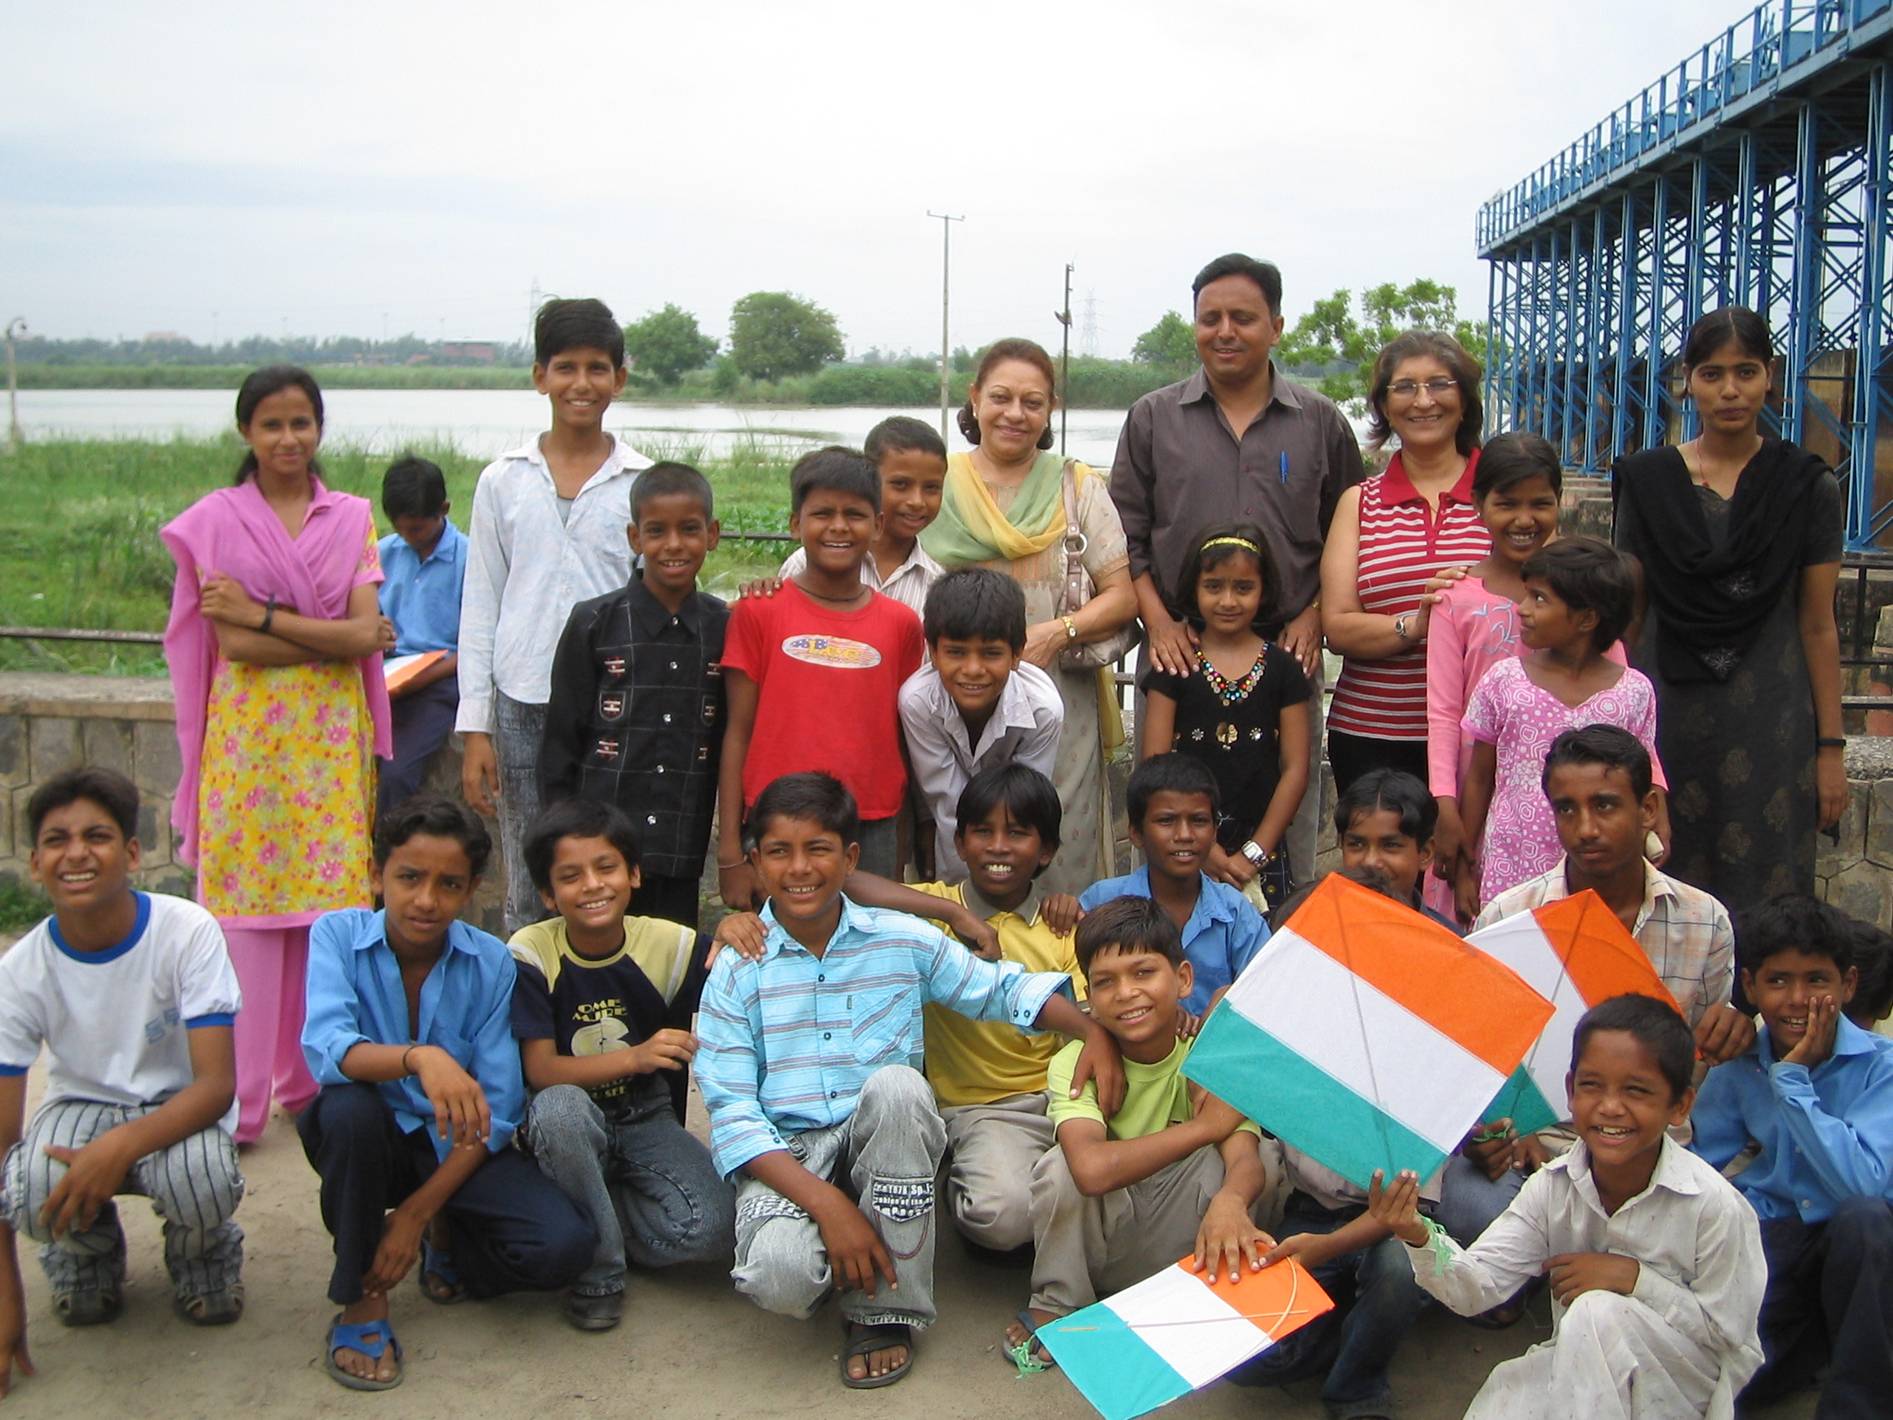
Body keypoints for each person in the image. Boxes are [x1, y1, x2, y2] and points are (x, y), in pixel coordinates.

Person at [693, 772, 1124, 1389]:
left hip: (883, 1141)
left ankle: (883, 1313)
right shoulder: (737, 968)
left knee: (898, 1087)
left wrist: (1090, 1030)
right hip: (792, 1154)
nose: (799, 869)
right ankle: (847, 1249)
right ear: (756, 862)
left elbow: (997, 989)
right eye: (779, 852)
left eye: (817, 849)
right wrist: (830, 1209)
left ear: (849, 859)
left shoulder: (899, 938)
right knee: (778, 1279)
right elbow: (732, 1113)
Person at [160, 365, 394, 1145]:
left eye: (302, 423)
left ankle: (312, 1084)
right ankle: (237, 1101)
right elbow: (232, 646)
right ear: (246, 433)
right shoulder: (218, 520)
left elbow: (365, 635)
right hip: (250, 744)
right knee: (247, 917)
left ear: (318, 429)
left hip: (330, 742)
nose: (289, 438)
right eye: (272, 425)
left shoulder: (352, 515)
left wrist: (268, 614)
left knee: (327, 916)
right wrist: (320, 633)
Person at [298, 796, 594, 1391]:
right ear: (376, 874)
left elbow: (500, 1110)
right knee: (349, 1109)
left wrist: (415, 1214)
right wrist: (419, 1057)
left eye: (448, 884)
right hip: (368, 1145)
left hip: (454, 1147)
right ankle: (362, 1297)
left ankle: (443, 1238)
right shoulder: (336, 934)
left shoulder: (489, 962)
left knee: (564, 1246)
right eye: (409, 877)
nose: (427, 899)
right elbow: (327, 1047)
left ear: (471, 890)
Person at [1376, 994, 1765, 1419]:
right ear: (1570, 1090)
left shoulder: (1714, 1206)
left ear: (1680, 1106)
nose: (1610, 1106)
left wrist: (1633, 1279)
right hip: (1583, 1374)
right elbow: (1477, 1287)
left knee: (1596, 1312)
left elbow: (1731, 1339)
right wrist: (1416, 1233)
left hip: (1681, 1388)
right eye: (1592, 1085)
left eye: (1636, 1090)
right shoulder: (1552, 1187)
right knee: (1505, 1402)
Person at [1111, 253, 1366, 882]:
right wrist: (1159, 624)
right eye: (1210, 318)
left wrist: (1314, 613)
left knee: (1287, 834)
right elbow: (1126, 538)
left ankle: (1279, 956)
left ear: (1276, 325)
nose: (1224, 331)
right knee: (1170, 821)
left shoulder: (1320, 423)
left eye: (1243, 318)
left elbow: (1352, 528)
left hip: (1284, 653)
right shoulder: (1152, 418)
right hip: (1179, 653)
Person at [1455, 728, 1752, 1252]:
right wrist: (1502, 1130)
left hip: (1651, 1151)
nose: (1585, 828)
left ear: (1648, 807)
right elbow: (1475, 1060)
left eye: (1605, 805)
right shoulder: (1510, 918)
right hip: (1537, 1151)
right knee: (1475, 1211)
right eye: (1566, 809)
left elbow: (1699, 1068)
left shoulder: (1705, 923)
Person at [0, 769, 245, 1395]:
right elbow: (1, 1138)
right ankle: (84, 1256)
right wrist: (5, 1292)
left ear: (132, 853)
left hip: (179, 1103)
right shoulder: (21, 970)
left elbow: (215, 1086)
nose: (76, 853)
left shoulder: (186, 930)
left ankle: (202, 1255)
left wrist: (119, 1146)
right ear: (34, 863)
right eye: (56, 840)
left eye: (97, 836)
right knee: (28, 1182)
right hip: (81, 1104)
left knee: (204, 1179)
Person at [1613, 306, 1846, 908]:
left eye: (1746, 372)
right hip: (1668, 712)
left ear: (1771, 375)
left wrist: (1830, 750)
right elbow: (1630, 617)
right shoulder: (1648, 481)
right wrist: (1618, 730)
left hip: (1774, 720)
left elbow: (1819, 625)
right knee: (1664, 884)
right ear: (1687, 380)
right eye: (1713, 374)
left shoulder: (1805, 484)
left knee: (1769, 891)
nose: (1730, 391)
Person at [1005, 897, 1271, 1367]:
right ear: (1089, 994)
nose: (1126, 993)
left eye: (1144, 973)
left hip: (1190, 1238)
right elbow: (1088, 1171)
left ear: (1183, 979)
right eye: (1105, 983)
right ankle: (1059, 1301)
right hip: (1110, 1247)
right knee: (1059, 1168)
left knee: (1262, 1162)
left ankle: (1210, 1290)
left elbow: (1245, 1158)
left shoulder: (1206, 1056)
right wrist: (1203, 1127)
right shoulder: (1074, 1062)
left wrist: (1231, 1199)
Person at [457, 297, 652, 933]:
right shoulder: (504, 480)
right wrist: (476, 729)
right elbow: (482, 604)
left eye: (598, 368)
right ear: (539, 375)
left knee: (610, 864)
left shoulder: (642, 482)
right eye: (565, 368)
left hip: (615, 702)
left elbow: (657, 598)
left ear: (619, 379)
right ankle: (531, 1014)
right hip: (521, 700)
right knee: (529, 865)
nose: (581, 384)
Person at [508, 798, 733, 1333]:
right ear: (547, 894)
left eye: (606, 867)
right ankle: (600, 1270)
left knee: (716, 1228)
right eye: (570, 876)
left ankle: (596, 1212)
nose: (592, 885)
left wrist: (739, 928)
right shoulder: (532, 950)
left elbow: (735, 970)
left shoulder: (667, 942)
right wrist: (634, 1056)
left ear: (633, 874)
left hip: (643, 1114)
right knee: (561, 1110)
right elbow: (540, 1071)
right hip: (565, 1118)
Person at [923, 338, 1137, 895]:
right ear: (973, 399)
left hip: (1058, 700)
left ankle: (1061, 972)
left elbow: (1122, 595)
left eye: (1032, 402)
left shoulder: (1077, 486)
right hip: (951, 704)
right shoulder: (937, 483)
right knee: (956, 836)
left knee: (1057, 842)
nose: (1015, 413)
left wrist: (1053, 633)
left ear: (1051, 410)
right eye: (1000, 397)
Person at [1692, 894, 1893, 1419]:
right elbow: (1698, 1166)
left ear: (1847, 985)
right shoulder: (1742, 1066)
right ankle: (1816, 1349)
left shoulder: (1881, 1066)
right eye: (1778, 981)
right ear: (1752, 988)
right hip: (1776, 1245)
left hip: (1860, 1250)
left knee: (1864, 1220)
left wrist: (1793, 1081)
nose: (1798, 999)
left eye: (1817, 981)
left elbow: (1865, 1185)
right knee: (1730, 1385)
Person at [715, 448, 925, 904]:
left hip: (872, 822)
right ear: (795, 524)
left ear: (878, 525)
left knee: (868, 954)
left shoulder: (902, 623)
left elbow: (904, 738)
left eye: (854, 514)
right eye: (822, 513)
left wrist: (904, 842)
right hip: (774, 821)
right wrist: (730, 851)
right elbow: (737, 733)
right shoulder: (758, 613)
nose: (838, 526)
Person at [539, 460, 727, 929]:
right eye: (657, 531)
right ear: (635, 538)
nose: (674, 545)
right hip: (599, 848)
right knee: (596, 957)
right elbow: (561, 743)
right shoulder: (594, 624)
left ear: (713, 534)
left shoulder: (727, 626)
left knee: (672, 962)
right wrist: (561, 838)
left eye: (689, 530)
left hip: (680, 840)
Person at [1321, 330, 1491, 792]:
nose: (1423, 401)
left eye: (1439, 384)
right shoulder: (1359, 502)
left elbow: (1551, 597)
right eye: (1404, 387)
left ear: (1465, 398)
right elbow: (1337, 627)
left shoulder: (1505, 496)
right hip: (1375, 736)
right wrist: (1412, 627)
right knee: (1379, 866)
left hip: (1486, 740)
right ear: (1383, 404)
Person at [1458, 537, 1664, 915]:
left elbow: (1644, 773)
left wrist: (1657, 826)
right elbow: (1479, 777)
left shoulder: (1633, 691)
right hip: (1514, 864)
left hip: (1600, 869)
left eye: (1539, 599)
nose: (1522, 610)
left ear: (1586, 618)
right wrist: (1464, 864)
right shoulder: (1503, 681)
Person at [1424, 431, 1563, 918]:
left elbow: (1622, 691)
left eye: (1540, 504)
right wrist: (1445, 805)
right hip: (1474, 795)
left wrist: (1653, 784)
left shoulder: (1582, 594)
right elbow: (1442, 713)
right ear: (1480, 505)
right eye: (1507, 504)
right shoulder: (1456, 599)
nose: (1525, 520)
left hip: (1561, 795)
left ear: (1559, 505)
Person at [1140, 522, 1311, 910]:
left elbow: (1296, 768)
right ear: (1193, 588)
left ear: (1263, 589)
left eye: (1243, 587)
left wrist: (1254, 853)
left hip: (1262, 845)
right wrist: (1208, 852)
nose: (1228, 600)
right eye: (1214, 586)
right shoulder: (1175, 664)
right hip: (1183, 840)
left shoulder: (1284, 669)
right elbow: (1154, 763)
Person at [899, 569, 1062, 885]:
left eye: (991, 654)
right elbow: (946, 803)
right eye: (956, 652)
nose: (973, 670)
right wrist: (962, 898)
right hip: (950, 841)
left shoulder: (1042, 709)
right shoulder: (917, 702)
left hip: (1011, 853)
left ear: (1017, 654)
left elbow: (1027, 802)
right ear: (932, 652)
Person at [1076, 754, 1270, 1019]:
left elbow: (1264, 997)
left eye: (1199, 821)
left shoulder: (1235, 914)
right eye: (1166, 821)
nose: (1184, 835)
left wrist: (1212, 1019)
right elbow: (1082, 998)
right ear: (1136, 833)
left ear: (1215, 832)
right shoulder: (1102, 901)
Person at [778, 416, 948, 617]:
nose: (917, 501)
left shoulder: (936, 583)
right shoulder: (804, 564)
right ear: (869, 482)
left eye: (931, 488)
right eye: (900, 484)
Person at [376, 454, 466, 818]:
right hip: (386, 675)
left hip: (440, 681)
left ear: (442, 509)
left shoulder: (469, 560)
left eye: (417, 529)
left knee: (397, 774)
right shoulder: (383, 554)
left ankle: (387, 857)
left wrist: (418, 680)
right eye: (401, 529)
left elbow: (474, 648)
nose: (409, 538)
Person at [1333, 768, 1453, 930]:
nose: (1371, 861)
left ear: (1425, 853)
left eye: (1390, 845)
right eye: (1357, 844)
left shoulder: (1449, 945)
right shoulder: (1311, 935)